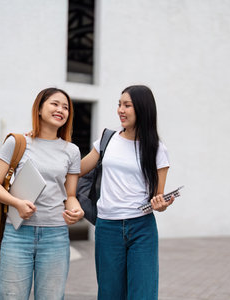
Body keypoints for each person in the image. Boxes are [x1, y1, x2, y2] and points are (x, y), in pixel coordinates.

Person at [0, 87, 84, 300]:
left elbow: (71, 195)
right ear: (39, 109)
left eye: (65, 107)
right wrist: (17, 203)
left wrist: (76, 211)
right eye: (55, 104)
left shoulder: (72, 151)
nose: (61, 110)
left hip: (55, 236)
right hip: (18, 234)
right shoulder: (17, 142)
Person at [80, 85, 175, 300]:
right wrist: (44, 139)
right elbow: (76, 169)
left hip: (142, 228)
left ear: (142, 109)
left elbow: (157, 197)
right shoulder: (107, 140)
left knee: (142, 294)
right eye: (119, 104)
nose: (120, 110)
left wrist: (162, 203)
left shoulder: (157, 149)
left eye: (127, 105)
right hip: (107, 227)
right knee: (109, 294)